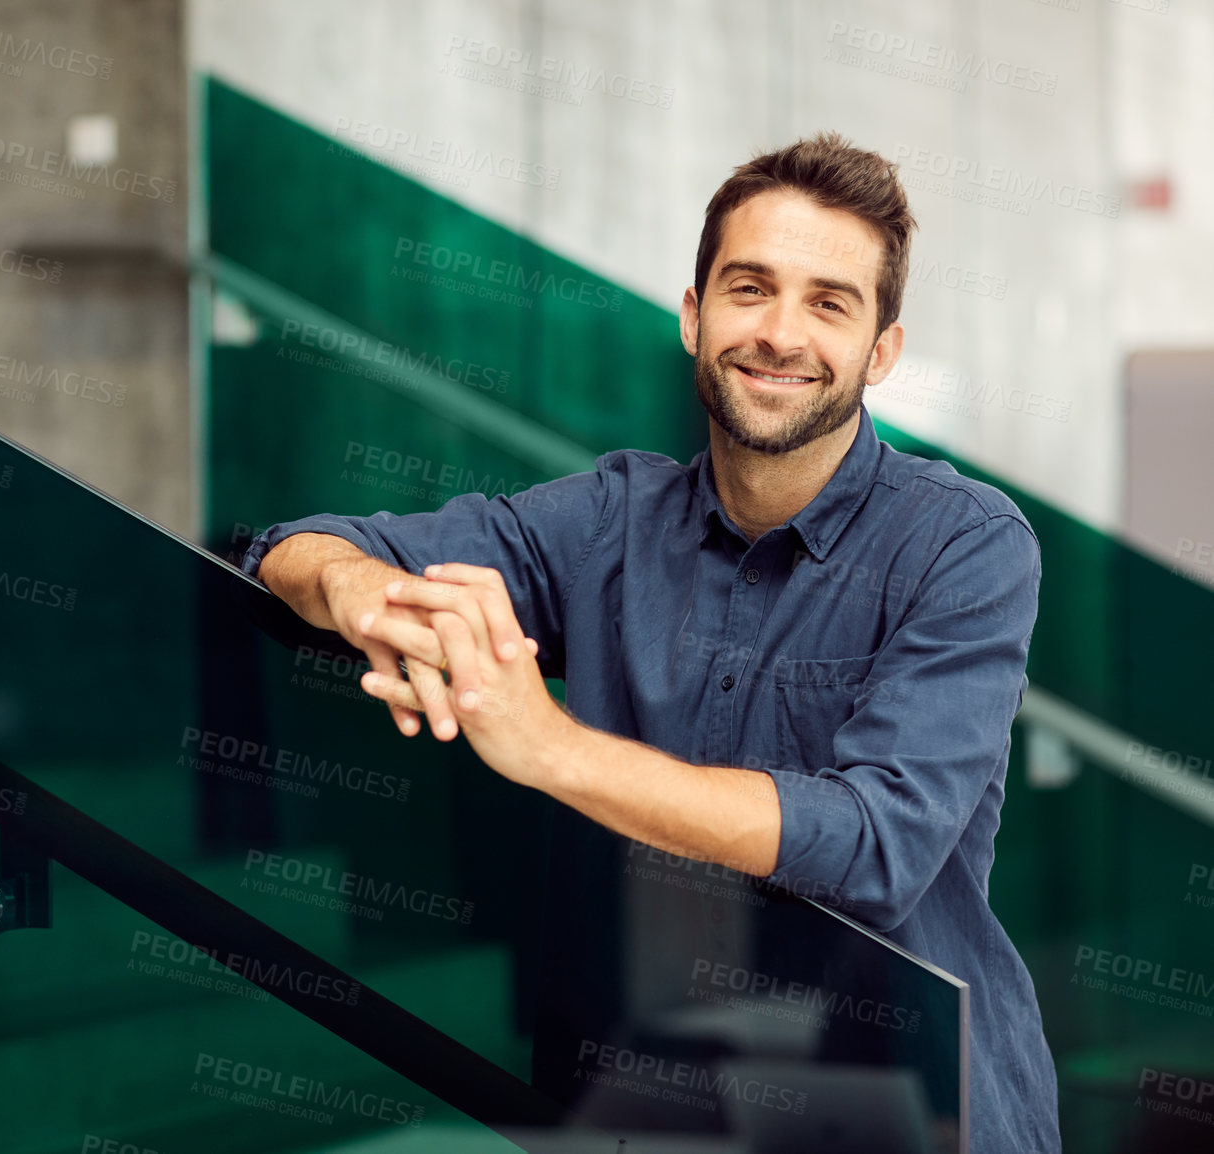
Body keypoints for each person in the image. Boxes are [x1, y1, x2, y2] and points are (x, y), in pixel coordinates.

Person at [238, 133, 1059, 1153]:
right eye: (748, 287)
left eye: (829, 302)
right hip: (650, 1106)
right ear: (692, 313)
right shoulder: (606, 518)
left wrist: (547, 744)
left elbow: (874, 842)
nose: (779, 333)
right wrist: (363, 590)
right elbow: (289, 549)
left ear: (880, 351)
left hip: (908, 1108)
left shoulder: (966, 544)